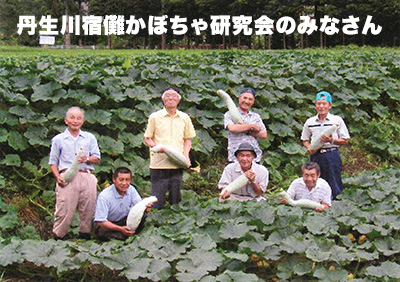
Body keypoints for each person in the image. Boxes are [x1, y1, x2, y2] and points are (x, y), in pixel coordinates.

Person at [49, 107, 100, 240]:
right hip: (67, 176)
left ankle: (85, 235)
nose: (75, 121)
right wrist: (58, 177)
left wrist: (87, 159)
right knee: (64, 208)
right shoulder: (58, 139)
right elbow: (53, 163)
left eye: (79, 118)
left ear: (83, 121)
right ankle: (58, 236)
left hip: (86, 174)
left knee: (89, 208)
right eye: (72, 117)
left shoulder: (90, 138)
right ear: (66, 121)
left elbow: (97, 158)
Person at [144, 87, 196, 209]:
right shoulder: (155, 117)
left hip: (177, 163)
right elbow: (147, 138)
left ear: (178, 100)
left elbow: (188, 139)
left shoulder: (184, 117)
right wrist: (157, 147)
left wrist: (185, 155)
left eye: (174, 96)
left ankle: (175, 223)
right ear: (163, 99)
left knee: (175, 198)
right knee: (157, 199)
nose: (171, 98)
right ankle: (156, 223)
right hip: (159, 164)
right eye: (167, 95)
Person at [301, 90, 350, 199]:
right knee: (315, 181)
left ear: (330, 106)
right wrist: (309, 148)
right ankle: (317, 203)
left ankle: (336, 202)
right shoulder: (310, 122)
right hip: (316, 155)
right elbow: (304, 139)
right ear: (315, 106)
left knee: (333, 180)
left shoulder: (336, 120)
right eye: (319, 104)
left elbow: (345, 140)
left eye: (324, 104)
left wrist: (331, 140)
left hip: (331, 155)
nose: (321, 106)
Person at [94, 167, 153, 241]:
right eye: (121, 180)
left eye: (127, 180)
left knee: (143, 216)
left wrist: (146, 208)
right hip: (109, 223)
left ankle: (127, 234)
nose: (124, 183)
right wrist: (120, 229)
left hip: (125, 220)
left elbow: (139, 206)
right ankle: (125, 235)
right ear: (114, 180)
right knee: (102, 232)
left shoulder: (131, 189)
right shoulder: (104, 196)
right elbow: (101, 221)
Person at [224, 87, 267, 163]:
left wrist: (248, 131)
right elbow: (232, 128)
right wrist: (251, 126)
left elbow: (264, 134)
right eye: (245, 98)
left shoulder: (255, 116)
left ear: (253, 102)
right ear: (239, 98)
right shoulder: (229, 114)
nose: (247, 101)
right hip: (235, 157)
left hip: (254, 157)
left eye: (250, 99)